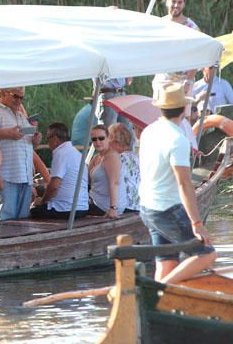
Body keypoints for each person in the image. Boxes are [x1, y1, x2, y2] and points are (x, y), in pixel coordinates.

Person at [139, 83, 215, 283]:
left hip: (148, 207)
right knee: (207, 254)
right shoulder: (177, 139)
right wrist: (197, 223)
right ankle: (157, 290)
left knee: (166, 264)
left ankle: (155, 306)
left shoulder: (148, 131)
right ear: (183, 109)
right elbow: (184, 184)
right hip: (167, 208)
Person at [0, 87, 40, 220]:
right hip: (6, 176)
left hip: (25, 176)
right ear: (3, 93)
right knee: (6, 221)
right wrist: (5, 133)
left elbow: (26, 143)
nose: (19, 101)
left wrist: (35, 141)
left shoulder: (20, 115)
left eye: (21, 97)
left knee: (23, 221)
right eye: (15, 96)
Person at [30, 123, 89, 219]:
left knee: (32, 211)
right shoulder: (76, 153)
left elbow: (54, 186)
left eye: (48, 138)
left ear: (55, 139)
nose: (48, 142)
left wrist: (42, 202)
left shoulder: (60, 153)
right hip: (82, 208)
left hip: (65, 209)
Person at [153, 0, 200, 95]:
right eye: (173, 1)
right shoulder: (159, 24)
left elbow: (197, 56)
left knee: (183, 112)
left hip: (183, 80)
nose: (176, 5)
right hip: (162, 79)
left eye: (180, 2)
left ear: (183, 4)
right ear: (167, 2)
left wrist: (188, 81)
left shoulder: (191, 28)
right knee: (160, 111)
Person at [87, 124, 126, 218]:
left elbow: (114, 183)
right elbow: (87, 179)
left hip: (105, 206)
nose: (98, 142)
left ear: (108, 138)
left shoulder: (112, 156)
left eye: (101, 138)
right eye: (94, 139)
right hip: (94, 200)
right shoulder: (97, 157)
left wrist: (113, 208)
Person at [108, 123, 140, 212]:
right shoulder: (136, 157)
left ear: (115, 140)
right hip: (137, 205)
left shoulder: (119, 159)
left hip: (125, 206)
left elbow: (113, 182)